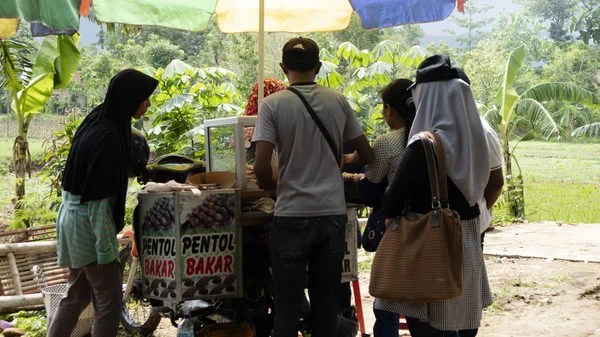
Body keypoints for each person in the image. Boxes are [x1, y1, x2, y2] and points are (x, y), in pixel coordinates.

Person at [252, 37, 374, 337]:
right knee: (325, 309)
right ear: (318, 67)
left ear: (284, 67)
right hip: (332, 216)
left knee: (287, 310)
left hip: (292, 215)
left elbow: (261, 167)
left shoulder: (272, 104)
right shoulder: (338, 100)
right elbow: (367, 154)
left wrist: (272, 186)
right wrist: (347, 158)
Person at [377, 55, 493, 337]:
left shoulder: (423, 145)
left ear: (425, 98)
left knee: (429, 326)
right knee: (454, 325)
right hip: (465, 237)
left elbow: (391, 202)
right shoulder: (477, 137)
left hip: (430, 244)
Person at [48, 69, 158, 337]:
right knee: (108, 303)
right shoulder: (109, 137)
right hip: (89, 225)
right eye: (145, 98)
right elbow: (99, 203)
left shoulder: (98, 119)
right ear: (131, 98)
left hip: (71, 221)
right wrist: (107, 253)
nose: (148, 104)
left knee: (76, 295)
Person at [345, 79, 417, 337]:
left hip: (397, 230)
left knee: (386, 300)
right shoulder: (431, 134)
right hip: (427, 230)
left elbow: (372, 193)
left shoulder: (387, 141)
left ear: (389, 110)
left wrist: (357, 178)